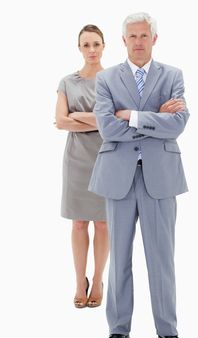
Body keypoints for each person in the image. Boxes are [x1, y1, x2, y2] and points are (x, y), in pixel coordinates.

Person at [89, 12, 189, 338]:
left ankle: (168, 329)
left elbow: (177, 124)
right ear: (123, 41)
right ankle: (118, 328)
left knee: (162, 256)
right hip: (118, 176)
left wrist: (130, 115)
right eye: (132, 36)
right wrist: (154, 117)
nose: (138, 42)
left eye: (144, 36)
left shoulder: (172, 75)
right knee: (118, 257)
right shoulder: (107, 79)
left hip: (160, 177)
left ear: (154, 39)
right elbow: (106, 128)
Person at [55, 25, 109, 309]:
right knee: (78, 223)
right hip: (76, 160)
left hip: (108, 157)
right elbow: (60, 121)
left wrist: (79, 116)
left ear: (104, 46)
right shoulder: (67, 81)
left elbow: (112, 123)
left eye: (96, 44)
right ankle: (79, 281)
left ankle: (98, 279)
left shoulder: (114, 80)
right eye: (86, 45)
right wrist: (95, 118)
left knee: (103, 223)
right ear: (79, 48)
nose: (91, 50)